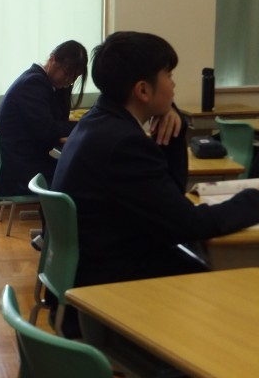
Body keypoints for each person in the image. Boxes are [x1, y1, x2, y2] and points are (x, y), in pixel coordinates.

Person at [51, 31, 259, 336]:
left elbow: (170, 198)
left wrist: (174, 131)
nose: (174, 85)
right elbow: (187, 224)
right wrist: (253, 199)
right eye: (169, 75)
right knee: (228, 289)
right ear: (143, 90)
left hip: (88, 278)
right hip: (110, 294)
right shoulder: (124, 144)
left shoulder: (98, 121)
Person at [0, 40, 89, 249]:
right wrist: (85, 124)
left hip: (22, 160)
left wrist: (64, 90)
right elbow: (49, 130)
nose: (69, 80)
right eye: (67, 73)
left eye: (74, 78)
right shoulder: (33, 84)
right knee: (73, 176)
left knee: (71, 171)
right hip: (16, 169)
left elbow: (57, 123)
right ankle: (55, 239)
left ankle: (50, 236)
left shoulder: (45, 84)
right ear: (52, 60)